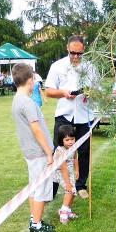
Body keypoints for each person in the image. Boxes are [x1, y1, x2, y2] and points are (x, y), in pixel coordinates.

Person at [45, 34, 99, 200]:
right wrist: (62, 93)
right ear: (67, 48)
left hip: (84, 115)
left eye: (79, 54)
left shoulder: (90, 68)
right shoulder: (57, 66)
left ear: (84, 51)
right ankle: (52, 188)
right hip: (64, 114)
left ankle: (80, 185)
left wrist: (91, 93)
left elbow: (98, 91)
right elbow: (48, 91)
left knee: (84, 151)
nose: (76, 57)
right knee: (58, 151)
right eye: (72, 53)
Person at [10, 63, 55, 232]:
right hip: (38, 153)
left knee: (34, 187)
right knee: (41, 188)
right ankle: (36, 225)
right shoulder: (27, 103)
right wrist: (48, 152)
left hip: (30, 152)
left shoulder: (17, 100)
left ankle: (34, 219)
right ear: (30, 80)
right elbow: (36, 130)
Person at [53, 124, 79, 224]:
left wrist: (77, 170)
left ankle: (67, 210)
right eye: (67, 140)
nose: (70, 142)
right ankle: (63, 212)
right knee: (69, 190)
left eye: (72, 139)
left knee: (73, 192)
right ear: (61, 140)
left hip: (70, 171)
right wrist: (68, 184)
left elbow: (75, 158)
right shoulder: (60, 151)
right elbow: (63, 169)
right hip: (60, 172)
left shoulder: (74, 147)